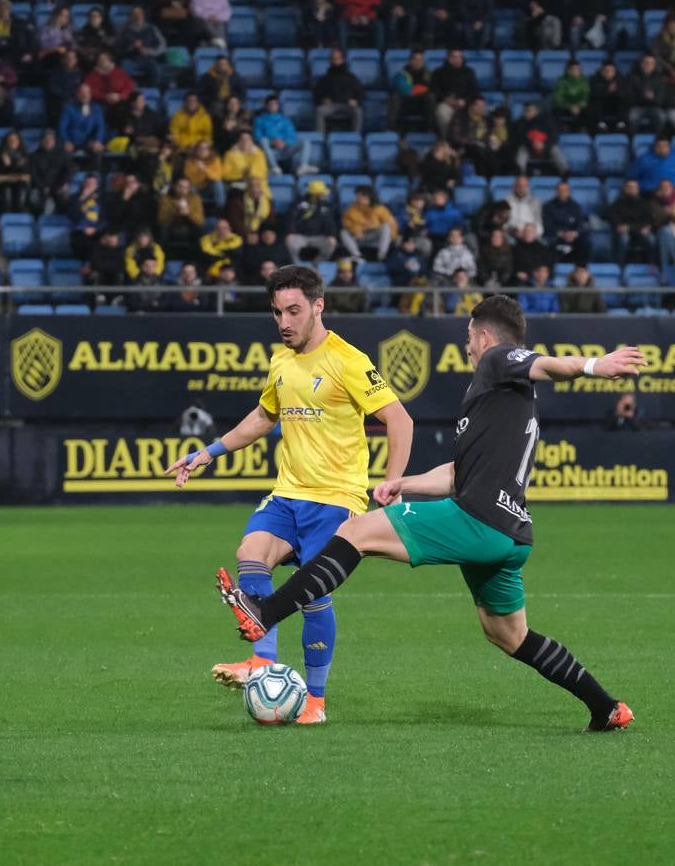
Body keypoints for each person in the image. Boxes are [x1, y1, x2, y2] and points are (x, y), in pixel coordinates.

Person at [212, 295, 640, 732]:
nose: (467, 347)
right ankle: (605, 707)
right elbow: (458, 475)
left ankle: (265, 612)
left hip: (477, 521)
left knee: (356, 531)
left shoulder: (496, 362)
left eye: (469, 337)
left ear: (485, 336)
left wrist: (593, 366)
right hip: (510, 536)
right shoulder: (504, 399)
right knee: (508, 636)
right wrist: (404, 483)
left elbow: (546, 364)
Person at [166, 266, 414, 725]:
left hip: (336, 497)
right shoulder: (282, 361)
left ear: (319, 306)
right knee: (250, 553)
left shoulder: (348, 360)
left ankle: (315, 703)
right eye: (277, 312)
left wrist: (392, 482)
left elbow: (400, 420)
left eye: (294, 311)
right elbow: (263, 416)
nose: (284, 322)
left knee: (313, 596)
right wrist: (208, 451)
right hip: (288, 493)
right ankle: (263, 664)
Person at [253, 94, 307, 176]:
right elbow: (257, 136)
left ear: (278, 106)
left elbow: (292, 135)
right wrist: (272, 142)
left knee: (305, 142)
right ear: (266, 106)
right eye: (271, 104)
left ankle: (303, 166)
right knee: (264, 141)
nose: (273, 106)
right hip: (270, 150)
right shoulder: (260, 120)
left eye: (275, 104)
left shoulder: (285, 120)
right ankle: (274, 167)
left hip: (285, 150)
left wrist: (284, 142)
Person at [314, 47, 364, 133]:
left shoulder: (351, 77)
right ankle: (320, 137)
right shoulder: (325, 78)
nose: (336, 61)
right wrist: (322, 100)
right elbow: (316, 93)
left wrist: (356, 101)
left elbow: (361, 93)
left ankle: (355, 137)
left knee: (358, 112)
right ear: (330, 61)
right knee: (319, 111)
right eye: (333, 59)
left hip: (347, 106)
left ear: (343, 60)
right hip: (331, 106)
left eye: (338, 59)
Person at [340, 185, 397, 261]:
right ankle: (357, 256)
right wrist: (356, 230)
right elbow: (346, 223)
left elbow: (391, 224)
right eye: (357, 196)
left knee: (386, 227)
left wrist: (393, 237)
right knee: (343, 232)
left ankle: (382, 256)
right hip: (359, 237)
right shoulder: (352, 208)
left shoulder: (380, 208)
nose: (357, 198)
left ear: (368, 196)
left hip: (376, 238)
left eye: (360, 196)